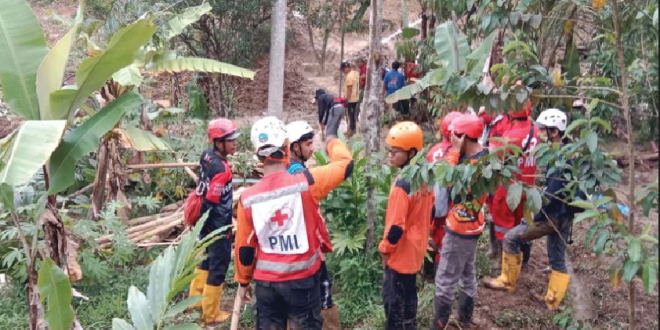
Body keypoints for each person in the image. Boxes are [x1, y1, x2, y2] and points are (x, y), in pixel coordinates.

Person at [234, 109, 353, 330]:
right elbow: (346, 165)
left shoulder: (248, 199)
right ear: (286, 148)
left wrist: (243, 281)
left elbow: (244, 248)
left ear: (258, 155)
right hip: (302, 283)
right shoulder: (307, 182)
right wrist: (332, 139)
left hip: (267, 286)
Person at [482, 108, 579, 311]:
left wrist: (535, 216)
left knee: (511, 238)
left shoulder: (560, 160)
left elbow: (552, 194)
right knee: (557, 259)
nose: (539, 134)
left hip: (553, 216)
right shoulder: (565, 151)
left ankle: (507, 281)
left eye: (543, 131)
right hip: (564, 215)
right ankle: (553, 303)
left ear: (554, 132)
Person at [434, 114, 488, 330]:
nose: (452, 141)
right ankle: (464, 319)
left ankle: (439, 324)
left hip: (460, 227)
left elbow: (445, 178)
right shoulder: (484, 157)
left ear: (464, 137)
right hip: (473, 226)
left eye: (456, 137)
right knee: (467, 274)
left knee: (445, 280)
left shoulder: (473, 168)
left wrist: (455, 151)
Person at [285, 120, 341, 329]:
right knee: (322, 291)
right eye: (308, 144)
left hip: (292, 244)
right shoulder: (300, 174)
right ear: (294, 147)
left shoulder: (284, 169)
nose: (312, 148)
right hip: (307, 245)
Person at [380, 122, 434, 330]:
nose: (390, 155)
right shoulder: (425, 177)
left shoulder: (402, 185)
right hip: (416, 251)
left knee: (394, 307)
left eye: (395, 152)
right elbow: (434, 210)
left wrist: (384, 249)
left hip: (400, 254)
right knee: (409, 297)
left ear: (411, 153)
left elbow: (395, 228)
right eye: (389, 151)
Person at [187, 118, 240, 324]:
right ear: (218, 142)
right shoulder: (222, 170)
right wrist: (217, 228)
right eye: (230, 140)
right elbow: (212, 199)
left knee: (205, 261)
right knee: (218, 266)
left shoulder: (207, 156)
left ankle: (194, 302)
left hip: (204, 221)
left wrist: (203, 225)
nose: (235, 143)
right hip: (217, 224)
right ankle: (211, 313)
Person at [486, 100, 538, 271]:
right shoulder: (536, 131)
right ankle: (523, 262)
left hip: (508, 189)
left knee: (503, 227)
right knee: (522, 227)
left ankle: (506, 266)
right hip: (528, 188)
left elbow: (495, 160)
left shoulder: (510, 136)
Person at [425, 111, 462, 272]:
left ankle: (427, 270)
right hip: (449, 206)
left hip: (432, 205)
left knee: (431, 236)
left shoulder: (434, 150)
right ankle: (438, 275)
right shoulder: (458, 154)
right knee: (444, 240)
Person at [341, 61, 360, 136]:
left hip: (351, 99)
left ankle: (351, 131)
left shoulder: (349, 76)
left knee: (350, 115)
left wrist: (347, 100)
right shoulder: (356, 73)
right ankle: (353, 129)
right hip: (356, 97)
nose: (343, 72)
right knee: (353, 114)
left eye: (343, 70)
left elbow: (349, 88)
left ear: (346, 68)